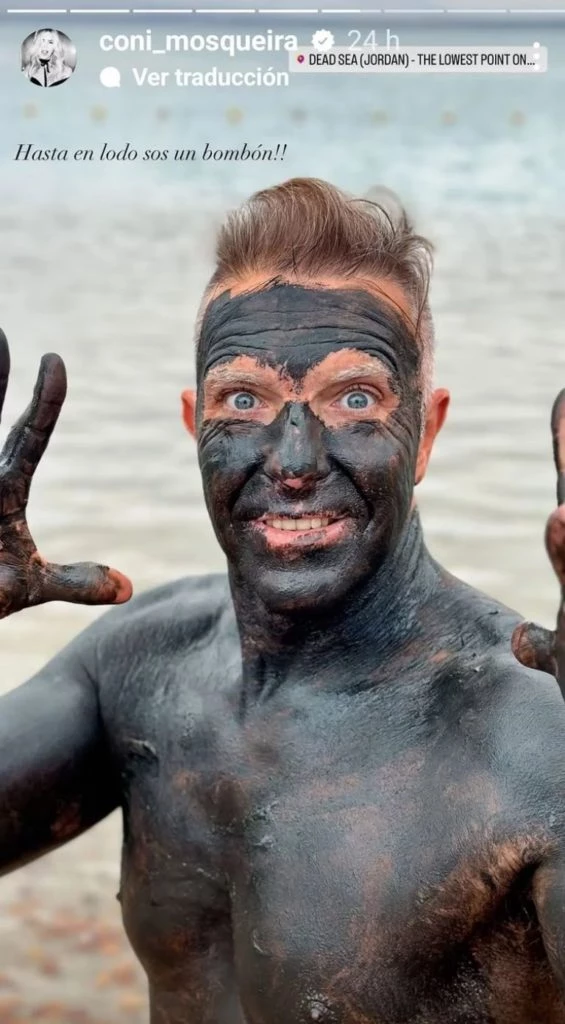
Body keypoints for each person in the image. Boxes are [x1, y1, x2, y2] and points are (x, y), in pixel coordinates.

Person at [0, 177, 564, 1024]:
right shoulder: (143, 667)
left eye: (354, 399)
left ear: (426, 432)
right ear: (194, 425)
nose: (294, 461)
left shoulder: (528, 738)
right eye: (243, 400)